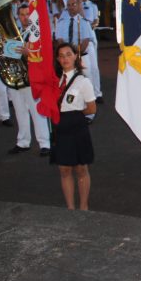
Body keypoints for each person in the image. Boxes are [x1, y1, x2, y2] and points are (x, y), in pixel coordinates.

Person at [50, 43, 97, 210]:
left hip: (77, 127)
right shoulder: (54, 80)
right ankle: (70, 207)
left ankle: (84, 206)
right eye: (61, 56)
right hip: (60, 127)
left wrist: (75, 115)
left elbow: (92, 108)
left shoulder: (83, 81)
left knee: (81, 168)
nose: (65, 59)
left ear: (75, 56)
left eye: (68, 54)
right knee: (64, 169)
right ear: (57, 59)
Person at [8, 4, 52, 156]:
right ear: (18, 17)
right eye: (21, 14)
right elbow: (10, 57)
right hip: (17, 79)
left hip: (33, 79)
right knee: (20, 111)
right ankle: (23, 141)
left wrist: (28, 52)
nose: (25, 17)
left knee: (37, 111)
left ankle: (44, 143)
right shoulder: (17, 33)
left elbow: (43, 55)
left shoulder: (36, 33)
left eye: (27, 14)